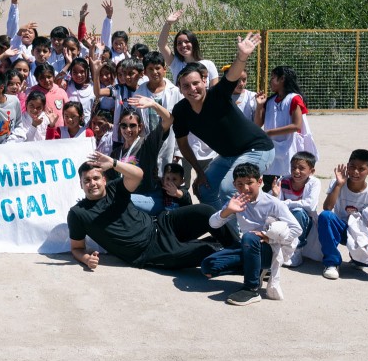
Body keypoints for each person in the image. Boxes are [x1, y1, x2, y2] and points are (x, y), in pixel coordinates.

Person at [68, 151, 237, 271]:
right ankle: (235, 253)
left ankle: (241, 248)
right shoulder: (78, 213)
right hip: (149, 252)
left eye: (96, 178)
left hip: (162, 223)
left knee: (205, 212)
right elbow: (77, 248)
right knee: (204, 252)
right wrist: (86, 259)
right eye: (87, 180)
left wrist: (114, 163)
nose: (92, 183)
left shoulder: (115, 189)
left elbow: (137, 175)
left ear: (104, 180)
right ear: (81, 184)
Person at [172, 33, 274, 209]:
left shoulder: (217, 95)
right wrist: (199, 171)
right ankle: (224, 230)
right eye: (186, 86)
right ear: (180, 89)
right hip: (229, 155)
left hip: (258, 149)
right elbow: (182, 144)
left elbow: (232, 75)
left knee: (230, 188)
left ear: (204, 81)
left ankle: (239, 233)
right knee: (204, 189)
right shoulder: (180, 111)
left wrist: (242, 56)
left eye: (196, 83)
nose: (192, 89)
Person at [199, 163, 301, 306]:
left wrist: (268, 236)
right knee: (208, 267)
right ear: (234, 184)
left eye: (249, 183)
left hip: (268, 250)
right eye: (240, 184)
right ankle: (256, 271)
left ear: (260, 182)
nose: (245, 188)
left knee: (249, 237)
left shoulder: (273, 203)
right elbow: (212, 224)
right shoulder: (237, 200)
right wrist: (227, 211)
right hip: (248, 248)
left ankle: (251, 289)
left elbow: (297, 229)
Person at [318, 149, 368, 280]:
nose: (355, 172)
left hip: (362, 234)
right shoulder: (337, 183)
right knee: (325, 216)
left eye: (361, 169)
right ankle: (332, 263)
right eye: (352, 167)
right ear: (347, 166)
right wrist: (339, 185)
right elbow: (327, 208)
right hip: (342, 229)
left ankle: (357, 259)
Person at [256, 65, 311, 184]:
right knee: (269, 185)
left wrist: (269, 132)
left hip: (289, 148)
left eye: (273, 77)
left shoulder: (294, 99)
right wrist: (259, 106)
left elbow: (296, 125)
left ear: (282, 79)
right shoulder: (270, 101)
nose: (270, 81)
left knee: (288, 184)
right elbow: (258, 123)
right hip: (271, 149)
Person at [270, 151, 320, 267]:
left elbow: (310, 205)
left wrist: (286, 203)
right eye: (293, 167)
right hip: (285, 219)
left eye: (301, 168)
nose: (296, 171)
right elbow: (276, 206)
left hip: (305, 221)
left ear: (311, 171)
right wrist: (275, 194)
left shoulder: (314, 183)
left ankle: (297, 249)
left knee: (299, 212)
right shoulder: (282, 181)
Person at [157, 9, 219, 85]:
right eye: (179, 43)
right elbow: (161, 45)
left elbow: (215, 91)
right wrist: (168, 23)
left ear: (194, 43)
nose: (183, 45)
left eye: (187, 42)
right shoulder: (176, 64)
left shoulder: (208, 64)